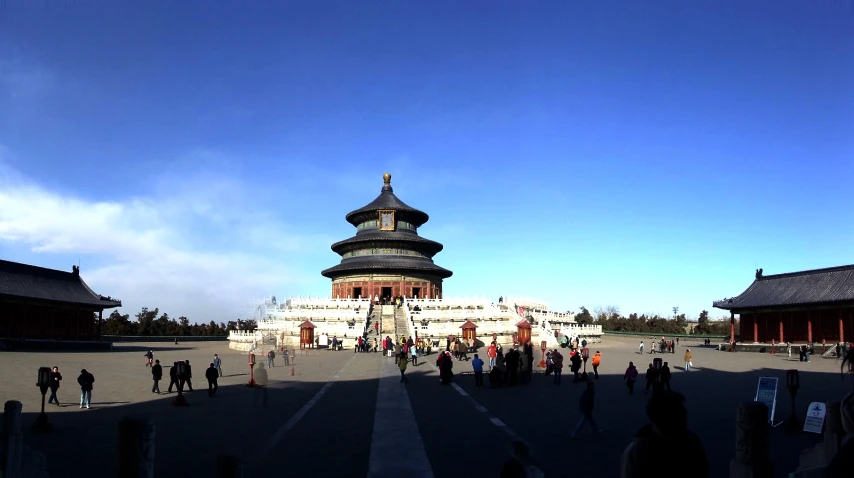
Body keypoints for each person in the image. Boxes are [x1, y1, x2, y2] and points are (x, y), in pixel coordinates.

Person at [620, 391, 708, 477]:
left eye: (683, 413)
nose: (684, 417)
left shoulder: (693, 441)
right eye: (676, 415)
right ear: (659, 418)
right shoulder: (638, 451)